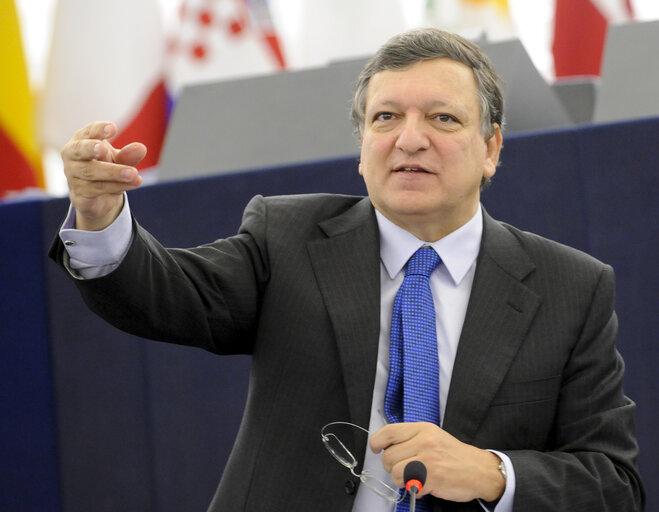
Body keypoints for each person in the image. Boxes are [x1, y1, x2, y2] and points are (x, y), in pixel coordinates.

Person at [50, 28, 644, 511]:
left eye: (442, 119)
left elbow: (612, 483)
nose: (409, 139)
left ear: (490, 149)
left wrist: (493, 473)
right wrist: (100, 218)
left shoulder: (573, 287)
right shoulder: (286, 238)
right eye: (386, 118)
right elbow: (170, 294)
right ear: (362, 147)